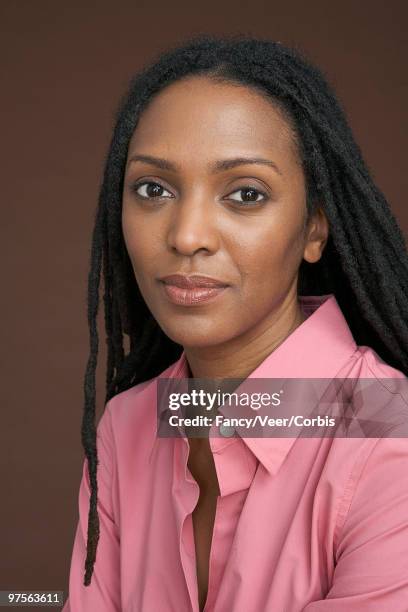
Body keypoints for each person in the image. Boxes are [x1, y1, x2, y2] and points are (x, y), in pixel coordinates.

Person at [62, 34, 408, 611]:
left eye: (245, 193)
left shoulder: (389, 437)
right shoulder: (128, 428)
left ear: (315, 227)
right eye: (154, 188)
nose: (186, 235)